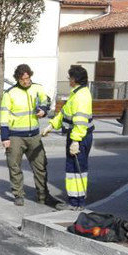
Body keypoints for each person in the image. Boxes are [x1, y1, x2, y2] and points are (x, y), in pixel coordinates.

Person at [0, 64, 52, 206]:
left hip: (34, 135)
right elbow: (4, 116)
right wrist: (5, 137)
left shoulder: (37, 88)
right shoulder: (9, 93)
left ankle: (42, 195)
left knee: (40, 166)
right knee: (14, 166)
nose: (26, 81)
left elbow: (46, 100)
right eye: (23, 79)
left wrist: (44, 110)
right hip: (15, 136)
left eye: (28, 78)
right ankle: (18, 195)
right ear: (18, 78)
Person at [42, 65, 94, 211]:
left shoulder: (81, 96)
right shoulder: (76, 93)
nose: (68, 80)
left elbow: (81, 121)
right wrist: (51, 126)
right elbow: (64, 113)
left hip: (79, 138)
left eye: (69, 77)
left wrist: (76, 141)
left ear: (74, 79)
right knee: (73, 170)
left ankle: (78, 202)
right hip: (77, 136)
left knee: (78, 170)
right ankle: (74, 201)